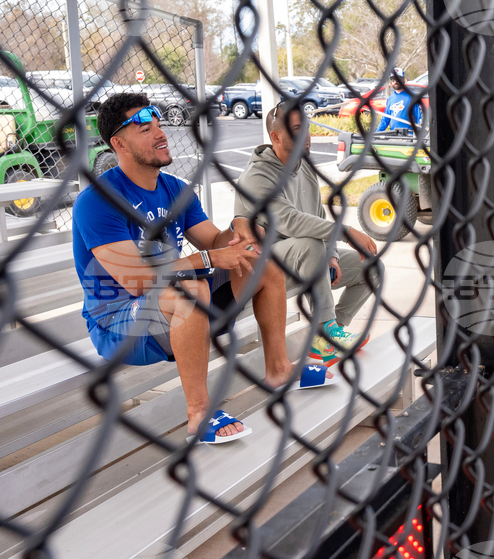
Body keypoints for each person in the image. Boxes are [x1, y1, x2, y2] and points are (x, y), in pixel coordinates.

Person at [74, 93, 312, 445]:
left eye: (159, 123)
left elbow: (215, 242)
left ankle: (278, 370)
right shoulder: (98, 200)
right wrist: (208, 260)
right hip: (118, 321)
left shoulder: (175, 190)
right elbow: (136, 280)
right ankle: (199, 413)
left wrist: (241, 227)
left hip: (174, 304)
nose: (160, 132)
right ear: (118, 144)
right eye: (144, 127)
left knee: (262, 263)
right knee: (192, 288)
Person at [234, 100, 381, 367]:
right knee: (311, 245)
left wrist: (333, 255)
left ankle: (328, 334)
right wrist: (346, 232)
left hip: (303, 260)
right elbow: (291, 222)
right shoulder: (257, 176)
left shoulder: (303, 167)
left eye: (308, 128)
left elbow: (317, 217)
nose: (307, 136)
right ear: (276, 136)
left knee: (371, 267)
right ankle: (325, 332)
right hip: (262, 267)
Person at [376, 67, 422, 133]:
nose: (395, 81)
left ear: (403, 79)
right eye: (393, 79)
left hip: (409, 138)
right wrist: (376, 134)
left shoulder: (412, 96)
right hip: (394, 137)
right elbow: (385, 120)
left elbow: (419, 118)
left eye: (398, 78)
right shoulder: (390, 99)